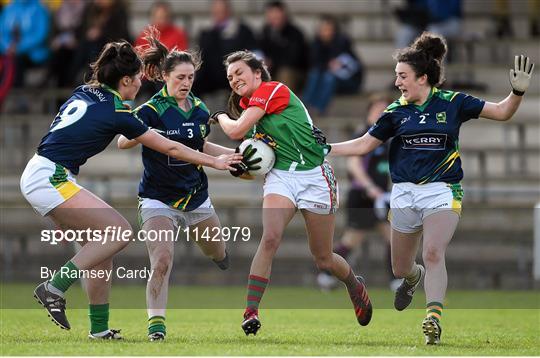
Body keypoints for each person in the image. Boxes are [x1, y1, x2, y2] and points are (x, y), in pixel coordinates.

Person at [19, 40, 242, 338]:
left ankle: (99, 330)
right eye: (137, 77)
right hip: (51, 177)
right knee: (119, 231)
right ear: (125, 80)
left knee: (100, 252)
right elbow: (172, 148)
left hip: (42, 171)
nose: (141, 82)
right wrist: (216, 161)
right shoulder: (119, 112)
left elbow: (63, 138)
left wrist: (60, 217)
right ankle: (54, 286)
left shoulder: (84, 91)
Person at [328, 32, 534, 344]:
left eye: (402, 76)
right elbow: (363, 144)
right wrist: (326, 148)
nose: (397, 82)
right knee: (401, 268)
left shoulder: (454, 103)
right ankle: (414, 277)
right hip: (405, 193)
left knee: (434, 251)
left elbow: (502, 111)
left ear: (422, 78)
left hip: (443, 191)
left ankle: (432, 318)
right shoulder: (395, 112)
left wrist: (516, 92)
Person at [211, 50, 373, 336]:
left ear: (258, 73)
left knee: (323, 258)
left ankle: (353, 285)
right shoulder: (254, 114)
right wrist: (238, 164)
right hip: (281, 177)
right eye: (230, 77)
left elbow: (235, 130)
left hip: (315, 176)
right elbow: (256, 159)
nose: (234, 79)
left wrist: (220, 116)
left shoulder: (273, 90)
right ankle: (251, 311)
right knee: (271, 238)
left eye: (239, 73)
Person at [117, 31, 258, 341]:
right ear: (165, 76)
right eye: (180, 77)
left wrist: (233, 156)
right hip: (157, 199)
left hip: (196, 199)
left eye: (191, 77)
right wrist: (134, 133)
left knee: (217, 250)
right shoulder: (151, 110)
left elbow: (200, 145)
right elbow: (122, 140)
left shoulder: (198, 109)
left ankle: (219, 256)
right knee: (162, 260)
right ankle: (156, 328)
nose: (186, 82)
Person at [316, 93, 399, 292]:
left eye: (385, 110)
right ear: (369, 111)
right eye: (377, 109)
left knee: (393, 237)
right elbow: (354, 165)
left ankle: (397, 280)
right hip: (362, 197)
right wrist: (370, 188)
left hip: (381, 197)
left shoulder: (387, 139)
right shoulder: (363, 135)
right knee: (352, 240)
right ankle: (325, 270)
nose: (381, 113)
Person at [193, 0, 258, 98]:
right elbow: (201, 56)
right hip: (210, 75)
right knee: (192, 83)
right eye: (216, 11)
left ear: (228, 11)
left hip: (234, 73)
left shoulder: (242, 30)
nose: (218, 14)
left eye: (221, 11)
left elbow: (252, 52)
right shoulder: (206, 33)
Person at [302, 15, 363, 116]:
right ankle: (304, 106)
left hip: (348, 81)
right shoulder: (316, 44)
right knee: (315, 74)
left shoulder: (343, 43)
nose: (326, 32)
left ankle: (318, 109)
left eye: (329, 29)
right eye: (323, 29)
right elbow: (315, 65)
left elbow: (352, 68)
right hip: (325, 78)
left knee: (329, 77)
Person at [259, 0, 309, 93]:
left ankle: (285, 105)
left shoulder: (295, 33)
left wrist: (272, 62)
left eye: (277, 16)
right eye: (272, 16)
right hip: (272, 70)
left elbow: (293, 59)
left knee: (285, 73)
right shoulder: (266, 32)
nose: (275, 19)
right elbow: (260, 50)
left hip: (295, 71)